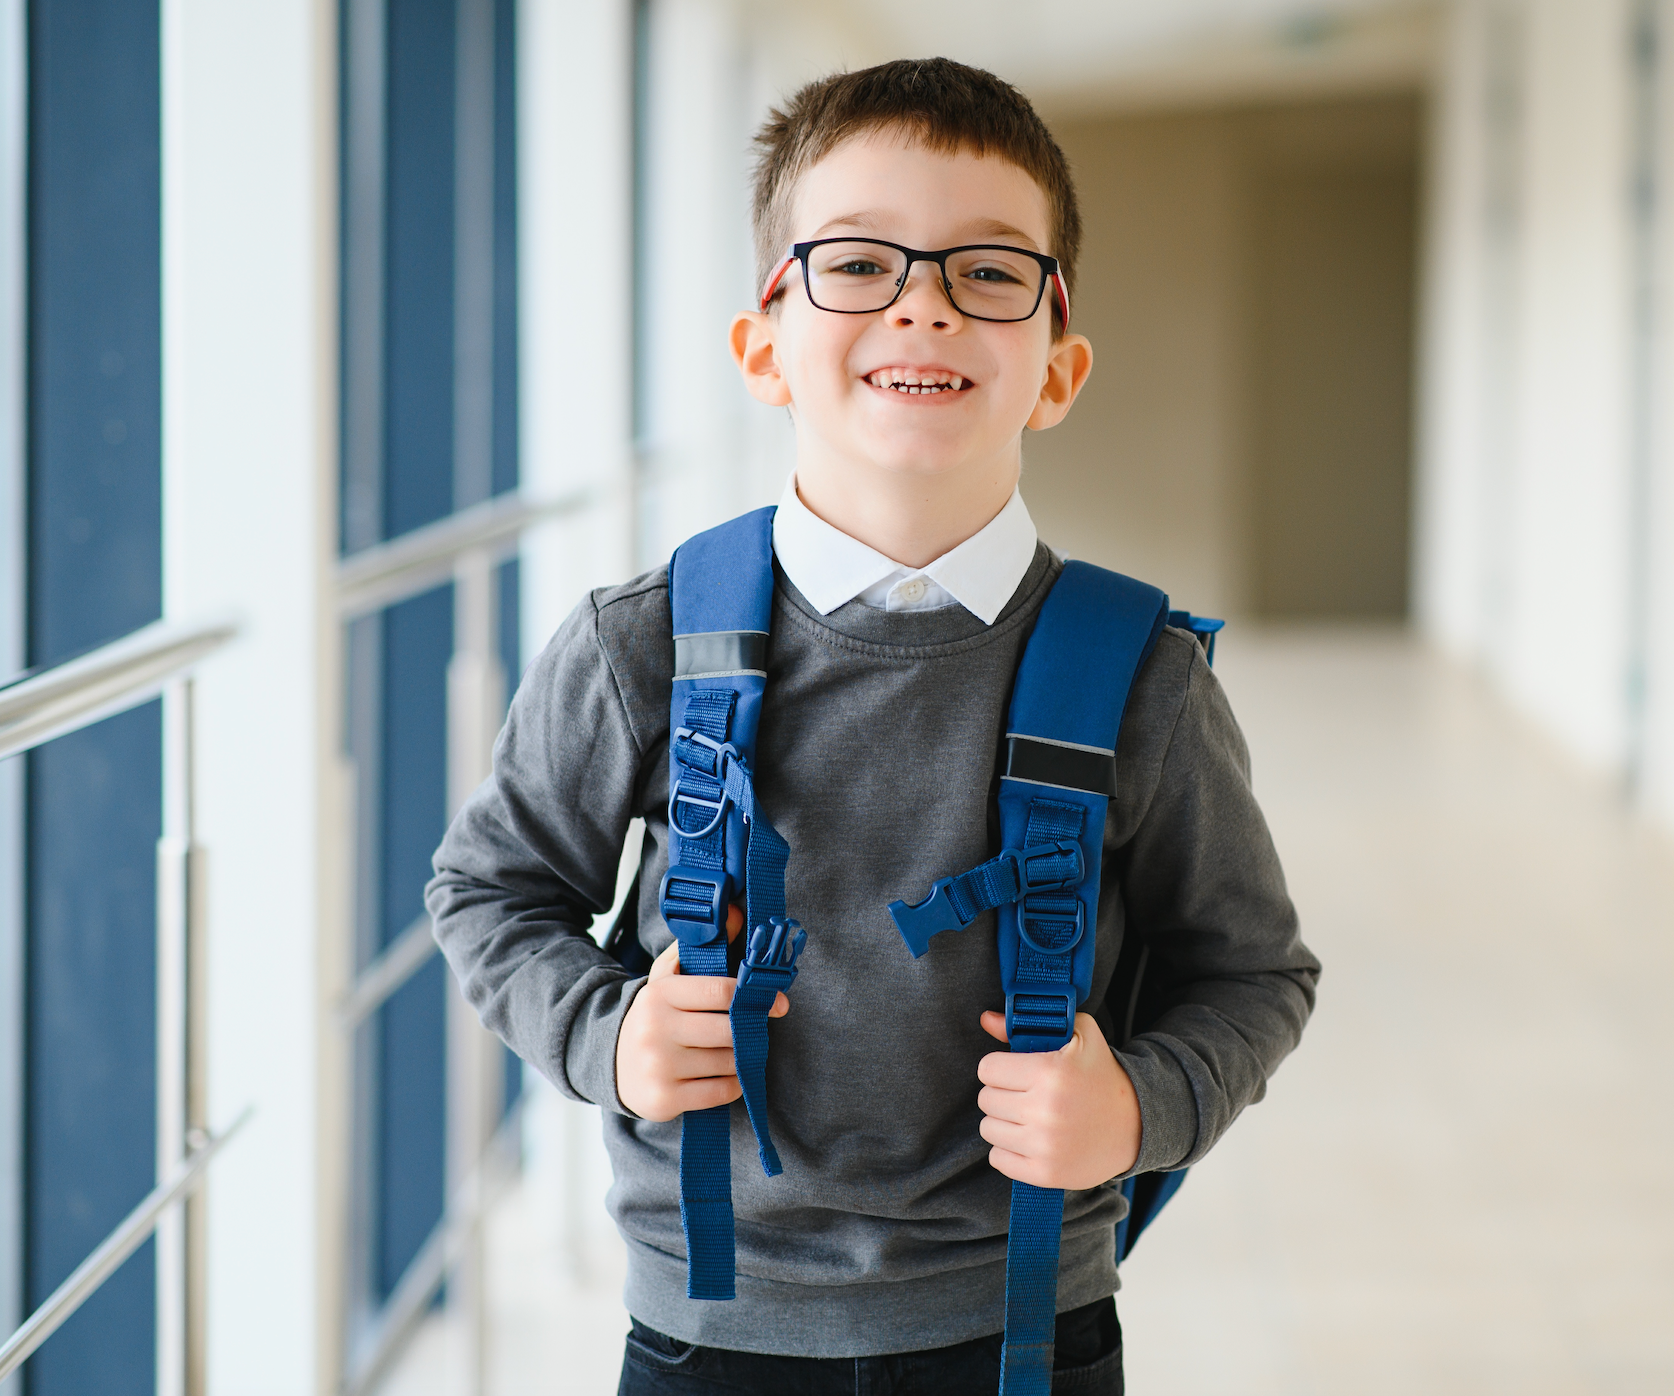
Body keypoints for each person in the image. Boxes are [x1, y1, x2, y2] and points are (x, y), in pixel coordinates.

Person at [427, 56, 1318, 1396]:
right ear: (762, 345)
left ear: (1057, 369)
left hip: (1024, 1337)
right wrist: (606, 1035)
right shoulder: (640, 645)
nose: (924, 305)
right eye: (856, 263)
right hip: (707, 1334)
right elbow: (488, 890)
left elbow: (1252, 973)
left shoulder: (1141, 677)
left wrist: (1139, 1107)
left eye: (988, 271)